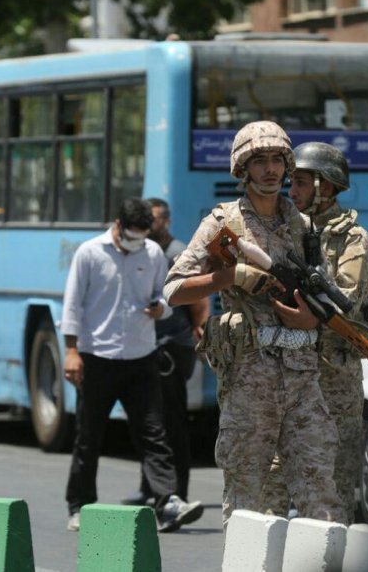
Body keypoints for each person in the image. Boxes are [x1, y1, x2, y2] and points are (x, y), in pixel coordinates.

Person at [164, 121, 343, 526]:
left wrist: (311, 316)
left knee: (321, 497)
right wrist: (230, 277)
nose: (270, 170)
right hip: (250, 378)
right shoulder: (223, 225)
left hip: (303, 379)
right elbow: (174, 291)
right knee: (247, 498)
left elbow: (322, 297)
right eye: (259, 161)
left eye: (277, 160)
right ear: (243, 168)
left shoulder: (304, 227)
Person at [61, 198, 201, 533]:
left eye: (143, 236)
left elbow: (167, 296)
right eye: (132, 236)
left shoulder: (152, 253)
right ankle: (80, 504)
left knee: (154, 433)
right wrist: (71, 352)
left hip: (141, 359)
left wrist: (161, 309)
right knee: (89, 436)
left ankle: (167, 501)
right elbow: (72, 304)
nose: (137, 243)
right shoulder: (89, 253)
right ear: (117, 225)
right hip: (98, 359)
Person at [259, 141, 368, 524]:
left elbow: (344, 299)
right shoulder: (288, 229)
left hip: (334, 379)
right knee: (272, 481)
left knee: (331, 486)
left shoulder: (353, 240)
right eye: (290, 182)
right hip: (287, 372)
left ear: (324, 186)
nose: (290, 191)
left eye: (299, 182)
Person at [120, 197, 209, 522]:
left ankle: (177, 493)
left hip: (172, 348)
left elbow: (199, 299)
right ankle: (150, 490)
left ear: (166, 221)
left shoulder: (176, 253)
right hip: (150, 347)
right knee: (150, 422)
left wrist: (200, 329)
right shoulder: (146, 252)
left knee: (172, 424)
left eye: (154, 219)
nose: (149, 224)